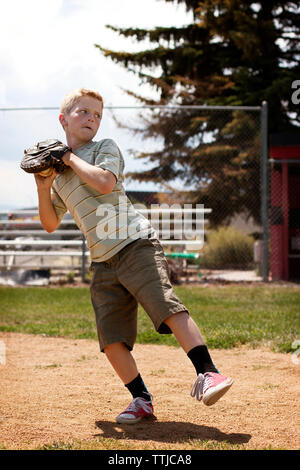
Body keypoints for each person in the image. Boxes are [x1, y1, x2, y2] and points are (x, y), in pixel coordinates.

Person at [34, 88, 233, 424]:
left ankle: (209, 373)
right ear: (63, 119)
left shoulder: (103, 148)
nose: (92, 119)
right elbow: (50, 223)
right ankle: (141, 400)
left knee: (166, 306)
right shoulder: (60, 177)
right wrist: (43, 184)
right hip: (102, 261)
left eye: (97, 114)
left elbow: (104, 183)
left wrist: (67, 157)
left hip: (135, 243)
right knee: (111, 338)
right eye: (83, 112)